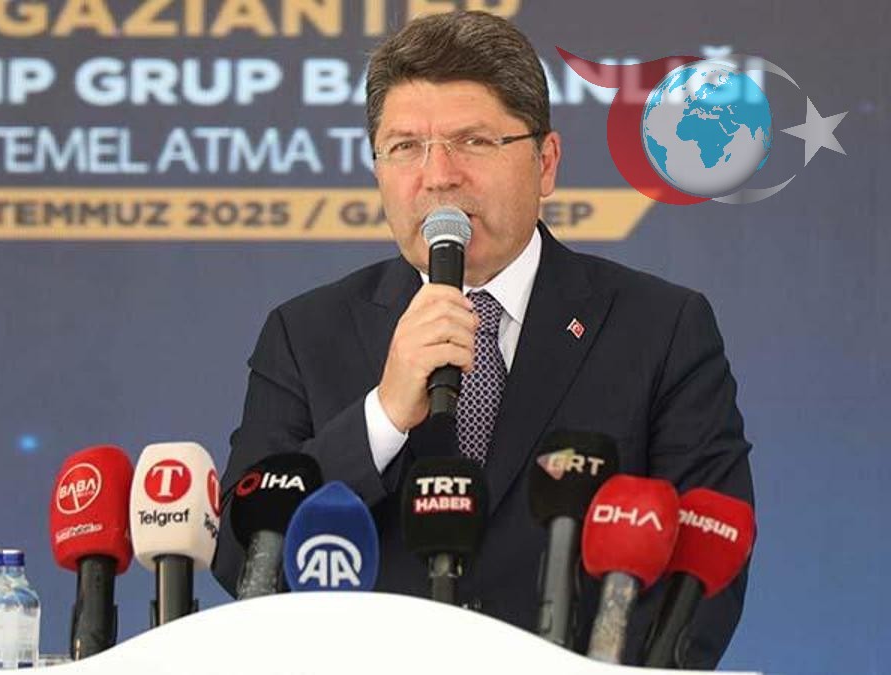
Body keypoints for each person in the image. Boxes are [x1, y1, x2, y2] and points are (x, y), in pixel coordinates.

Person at [212, 10, 753, 667]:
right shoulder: (305, 333)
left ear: (546, 163)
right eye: (404, 146)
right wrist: (382, 417)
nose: (438, 174)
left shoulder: (660, 327)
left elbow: (702, 577)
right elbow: (242, 561)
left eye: (471, 141)